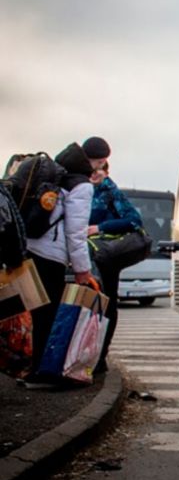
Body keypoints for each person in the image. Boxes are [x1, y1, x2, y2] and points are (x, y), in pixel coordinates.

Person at [23, 142, 98, 386]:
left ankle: (28, 369)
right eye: (101, 162)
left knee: (34, 312)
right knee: (49, 314)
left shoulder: (56, 177)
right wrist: (82, 269)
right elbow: (76, 232)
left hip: (30, 248)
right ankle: (43, 373)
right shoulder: (82, 186)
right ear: (92, 161)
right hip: (51, 255)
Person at [84, 137, 143, 374]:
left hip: (105, 256)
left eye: (101, 168)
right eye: (96, 166)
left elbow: (133, 220)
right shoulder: (75, 183)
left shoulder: (108, 189)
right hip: (80, 256)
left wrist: (100, 228)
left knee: (106, 305)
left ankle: (100, 356)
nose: (97, 173)